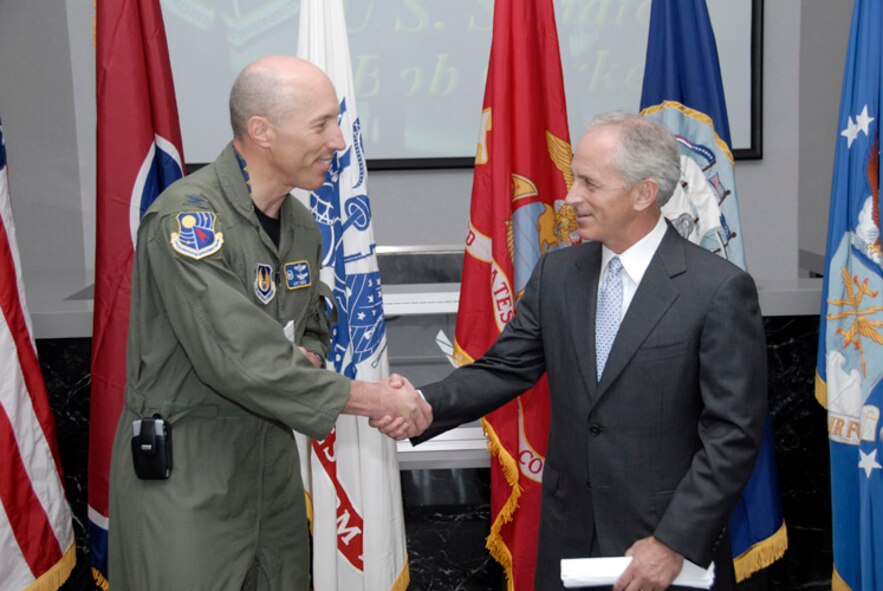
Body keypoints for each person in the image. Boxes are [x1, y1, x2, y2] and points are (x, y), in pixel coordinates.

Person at [380, 112, 767, 590]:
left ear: (644, 193)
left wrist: (673, 540)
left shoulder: (717, 289)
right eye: (573, 179)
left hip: (663, 547)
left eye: (590, 183)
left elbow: (733, 434)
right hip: (569, 538)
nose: (570, 197)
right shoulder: (558, 274)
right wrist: (423, 405)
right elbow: (505, 369)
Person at [107, 55, 429, 591]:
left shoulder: (301, 225)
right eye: (321, 124)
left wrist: (310, 353)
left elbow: (313, 313)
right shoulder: (187, 221)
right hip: (188, 478)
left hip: (272, 475)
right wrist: (376, 401)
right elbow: (240, 358)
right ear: (261, 131)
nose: (338, 142)